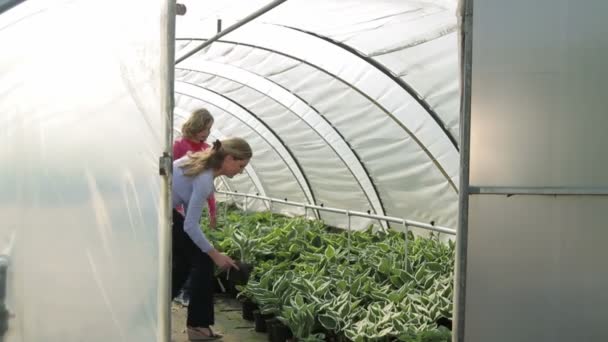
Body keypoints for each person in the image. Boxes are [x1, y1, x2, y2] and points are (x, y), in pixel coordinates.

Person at [172, 137, 252, 340]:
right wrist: (215, 254)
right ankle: (197, 326)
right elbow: (190, 225)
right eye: (240, 165)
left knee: (185, 262)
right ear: (228, 159)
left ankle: (157, 310)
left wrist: (210, 250)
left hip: (163, 209)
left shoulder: (202, 168)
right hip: (159, 210)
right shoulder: (204, 179)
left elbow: (190, 221)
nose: (240, 171)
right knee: (203, 260)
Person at [173, 108, 217, 307]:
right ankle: (182, 291)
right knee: (194, 255)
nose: (206, 133)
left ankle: (184, 292)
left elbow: (207, 186)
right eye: (204, 128)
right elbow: (174, 179)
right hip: (176, 207)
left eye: (209, 129)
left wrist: (212, 210)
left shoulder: (207, 148)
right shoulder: (179, 146)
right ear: (196, 125)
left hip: (190, 206)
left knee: (190, 254)